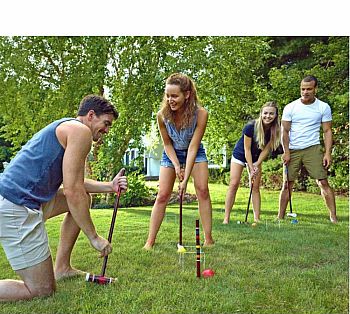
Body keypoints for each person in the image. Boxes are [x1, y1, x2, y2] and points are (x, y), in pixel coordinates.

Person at [0, 95, 128, 301]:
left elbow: (75, 182)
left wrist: (110, 187)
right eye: (106, 124)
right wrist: (94, 237)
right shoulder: (80, 131)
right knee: (41, 290)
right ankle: (55, 272)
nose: (106, 130)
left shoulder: (69, 127)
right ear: (91, 115)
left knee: (84, 198)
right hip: (16, 206)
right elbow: (72, 190)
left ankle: (62, 267)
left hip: (26, 200)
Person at [143, 73, 214, 250]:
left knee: (203, 191)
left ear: (187, 94)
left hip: (194, 153)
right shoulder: (162, 116)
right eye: (167, 95)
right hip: (172, 153)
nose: (170, 100)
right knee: (162, 195)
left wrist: (184, 179)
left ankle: (208, 239)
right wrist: (176, 166)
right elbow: (167, 144)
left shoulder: (201, 114)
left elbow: (193, 147)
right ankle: (150, 242)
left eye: (174, 96)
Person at [277, 75, 337, 223]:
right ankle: (280, 217)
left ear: (315, 89)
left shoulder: (323, 107)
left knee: (323, 182)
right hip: (293, 149)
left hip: (313, 148)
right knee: (287, 184)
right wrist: (286, 152)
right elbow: (284, 131)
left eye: (309, 89)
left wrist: (328, 153)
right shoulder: (291, 107)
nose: (305, 92)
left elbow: (327, 131)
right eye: (303, 89)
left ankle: (333, 217)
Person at [223, 101, 281, 224]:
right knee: (233, 184)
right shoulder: (250, 127)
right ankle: (226, 218)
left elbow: (266, 149)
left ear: (276, 115)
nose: (268, 116)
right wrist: (250, 166)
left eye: (271, 113)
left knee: (255, 187)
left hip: (256, 157)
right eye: (265, 113)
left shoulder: (275, 130)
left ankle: (256, 218)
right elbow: (246, 149)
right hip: (240, 155)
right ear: (261, 113)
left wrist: (257, 163)